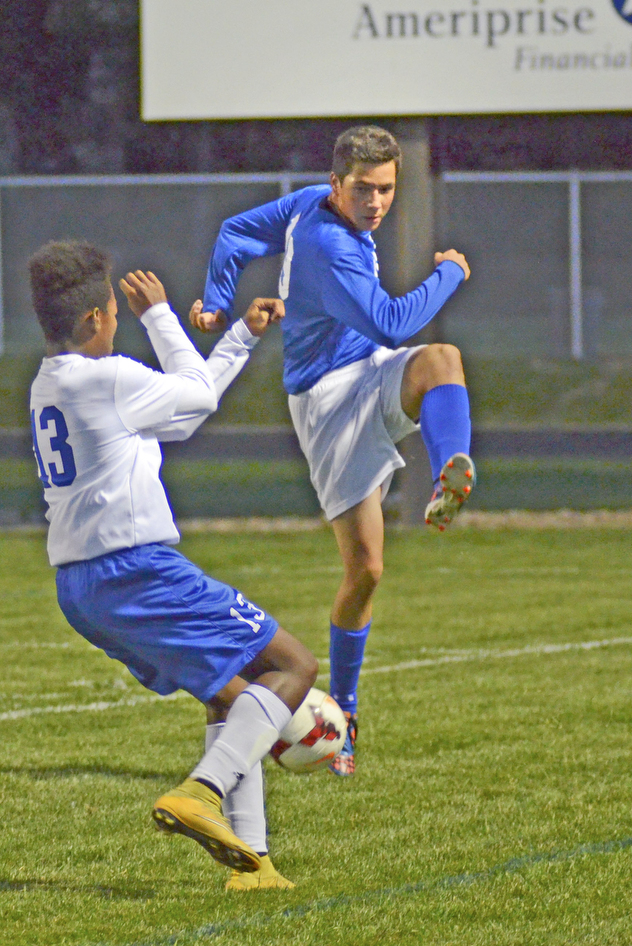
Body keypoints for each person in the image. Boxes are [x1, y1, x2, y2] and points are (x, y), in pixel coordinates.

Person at [28, 240, 318, 889]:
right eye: (116, 314)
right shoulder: (104, 379)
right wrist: (161, 315)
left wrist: (240, 336)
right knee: (293, 666)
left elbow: (182, 414)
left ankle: (254, 864)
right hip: (134, 569)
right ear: (94, 321)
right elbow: (196, 397)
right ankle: (202, 790)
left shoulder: (52, 383)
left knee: (230, 693)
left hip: (82, 585)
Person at [191, 125, 474, 777]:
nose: (377, 202)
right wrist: (450, 274)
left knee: (442, 360)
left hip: (366, 371)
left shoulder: (302, 206)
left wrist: (214, 297)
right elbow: (394, 321)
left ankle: (450, 470)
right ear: (335, 185)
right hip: (326, 405)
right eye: (365, 189)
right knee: (366, 570)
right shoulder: (326, 244)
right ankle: (341, 717)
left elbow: (236, 231)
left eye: (387, 189)